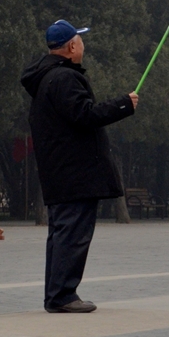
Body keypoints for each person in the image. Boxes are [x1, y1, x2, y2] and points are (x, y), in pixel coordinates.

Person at [22, 19, 138, 312]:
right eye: (81, 40)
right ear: (72, 46)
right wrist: (124, 104)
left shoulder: (46, 79)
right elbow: (84, 115)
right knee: (72, 235)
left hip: (60, 173)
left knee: (62, 234)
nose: (83, 46)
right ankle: (62, 296)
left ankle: (57, 294)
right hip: (74, 174)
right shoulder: (64, 78)